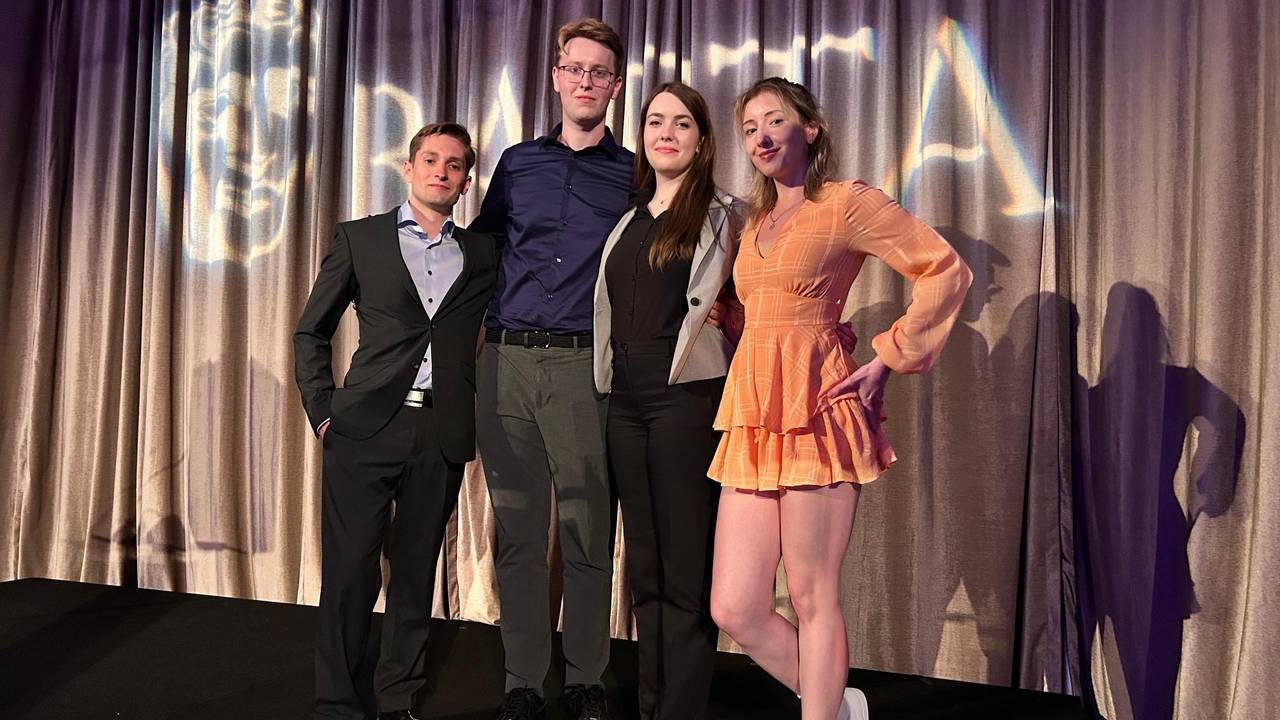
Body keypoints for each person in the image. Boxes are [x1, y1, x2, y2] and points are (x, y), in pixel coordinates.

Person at [707, 78, 973, 720]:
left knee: (811, 592)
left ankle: (822, 713)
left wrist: (889, 355)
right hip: (754, 410)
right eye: (750, 128)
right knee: (734, 605)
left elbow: (945, 270)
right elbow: (767, 312)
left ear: (810, 129)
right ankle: (834, 703)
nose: (762, 136)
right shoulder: (755, 221)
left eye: (775, 121)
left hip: (818, 406)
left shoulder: (845, 202)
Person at [293, 122, 498, 720]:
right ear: (408, 169)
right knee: (351, 573)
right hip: (363, 428)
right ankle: (336, 702)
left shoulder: (482, 253)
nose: (441, 171)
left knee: (415, 576)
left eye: (455, 165)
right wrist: (324, 414)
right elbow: (312, 331)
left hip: (441, 432)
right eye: (430, 160)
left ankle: (396, 699)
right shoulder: (360, 239)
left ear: (465, 181)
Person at [469, 18, 633, 720]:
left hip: (581, 369)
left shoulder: (635, 173)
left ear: (615, 86)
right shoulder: (517, 163)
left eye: (600, 72)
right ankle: (525, 685)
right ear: (557, 76)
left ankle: (590, 676)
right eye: (576, 68)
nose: (587, 81)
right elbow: (483, 252)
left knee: (588, 531)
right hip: (504, 362)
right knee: (517, 531)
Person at [590, 81, 744, 720]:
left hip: (687, 397)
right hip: (624, 400)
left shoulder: (724, 214)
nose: (666, 133)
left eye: (682, 124)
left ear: (702, 140)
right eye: (655, 122)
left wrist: (730, 314)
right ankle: (652, 703)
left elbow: (761, 294)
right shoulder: (629, 217)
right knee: (645, 563)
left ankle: (679, 710)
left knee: (684, 565)